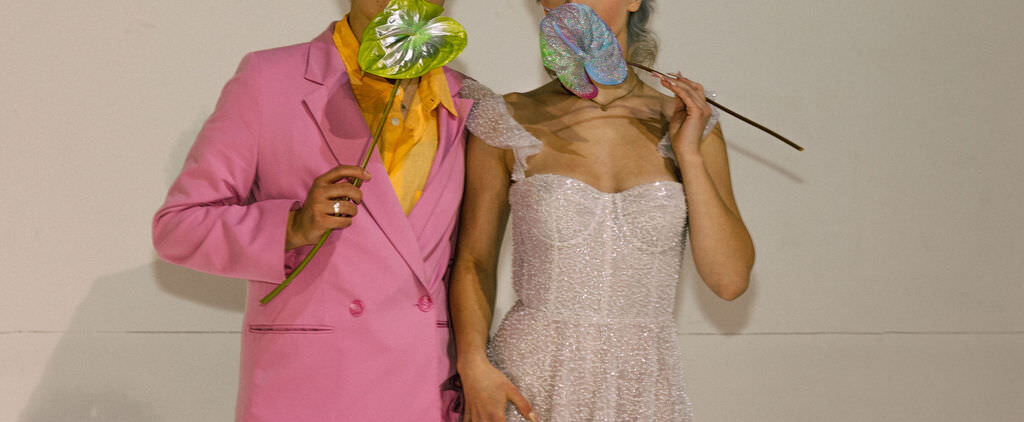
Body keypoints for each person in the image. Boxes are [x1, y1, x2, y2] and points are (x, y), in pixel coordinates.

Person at [152, 1, 472, 420]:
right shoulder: (270, 79)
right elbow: (178, 227)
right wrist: (291, 226)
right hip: (310, 388)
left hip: (423, 389)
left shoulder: (464, 98)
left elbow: (470, 262)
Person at [450, 0, 755, 420]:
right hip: (529, 382)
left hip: (644, 388)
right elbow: (472, 261)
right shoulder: (507, 117)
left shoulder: (689, 124)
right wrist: (473, 365)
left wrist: (691, 155)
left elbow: (730, 281)